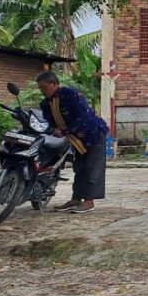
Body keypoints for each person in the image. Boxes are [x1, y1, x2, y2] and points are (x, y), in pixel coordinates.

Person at [36, 70, 109, 214]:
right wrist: (53, 131)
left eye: (44, 88)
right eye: (40, 89)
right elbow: (49, 124)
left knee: (92, 167)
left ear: (54, 84)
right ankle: (76, 199)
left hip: (93, 134)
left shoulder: (70, 94)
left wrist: (65, 131)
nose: (42, 91)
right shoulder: (45, 104)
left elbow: (84, 116)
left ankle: (89, 202)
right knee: (79, 167)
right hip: (76, 140)